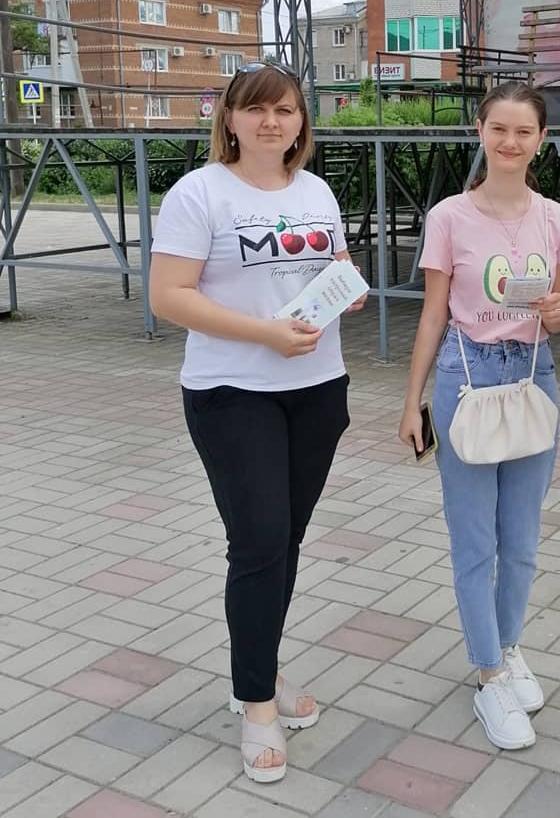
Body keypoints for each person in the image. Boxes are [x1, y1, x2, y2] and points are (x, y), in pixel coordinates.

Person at [148, 62, 366, 783]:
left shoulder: (316, 191)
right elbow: (169, 296)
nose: (272, 122)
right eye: (257, 109)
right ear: (231, 119)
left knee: (284, 541)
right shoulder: (199, 192)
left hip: (318, 388)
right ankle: (257, 704)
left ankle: (261, 672)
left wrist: (348, 288)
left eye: (286, 110)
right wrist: (264, 333)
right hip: (232, 391)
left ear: (302, 121)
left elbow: (334, 265)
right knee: (260, 540)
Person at [398, 81, 560, 750]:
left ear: (541, 140)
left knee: (523, 539)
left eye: (523, 131)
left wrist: (556, 314)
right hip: (466, 376)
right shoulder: (449, 216)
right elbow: (433, 314)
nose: (510, 141)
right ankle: (489, 673)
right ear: (479, 131)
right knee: (475, 540)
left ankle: (507, 647)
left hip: (533, 375)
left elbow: (557, 320)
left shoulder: (555, 219)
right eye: (498, 128)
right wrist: (412, 401)